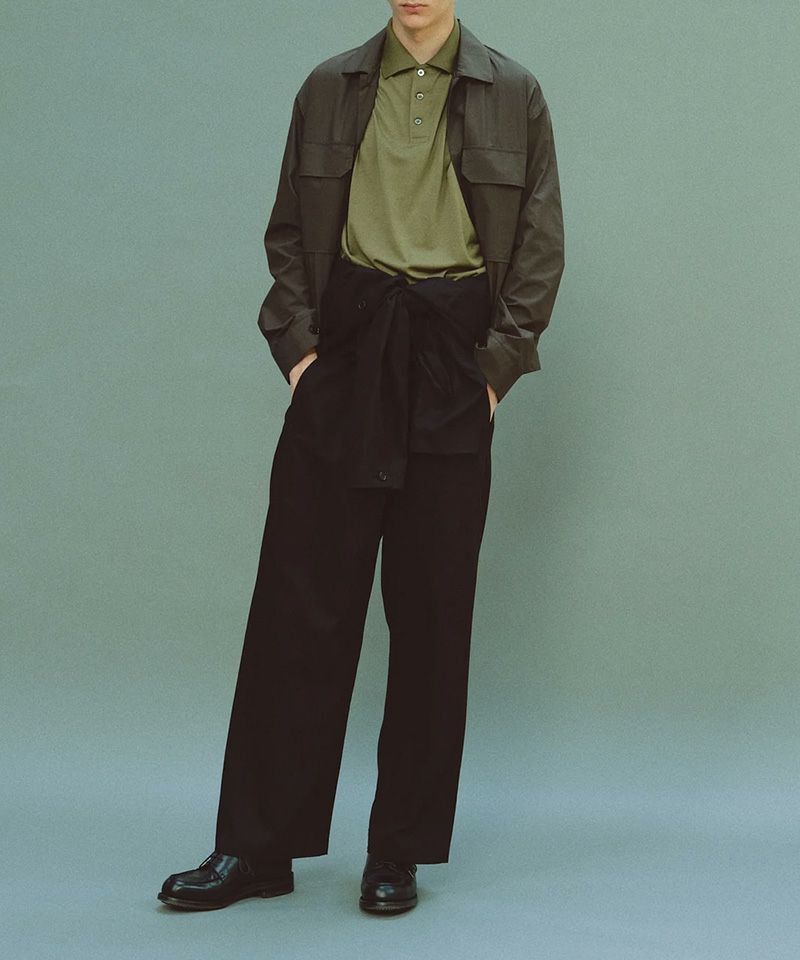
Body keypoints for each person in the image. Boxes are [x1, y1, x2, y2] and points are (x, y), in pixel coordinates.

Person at [157, 0, 564, 915]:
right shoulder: (329, 86)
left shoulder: (514, 92)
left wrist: (494, 373)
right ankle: (256, 848)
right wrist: (301, 354)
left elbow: (541, 246)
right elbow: (287, 234)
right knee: (297, 610)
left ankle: (398, 852)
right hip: (345, 349)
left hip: (450, 357)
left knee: (431, 617)